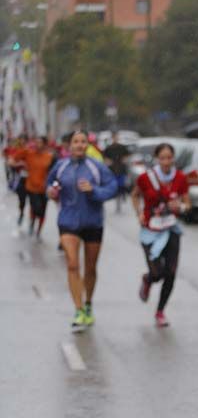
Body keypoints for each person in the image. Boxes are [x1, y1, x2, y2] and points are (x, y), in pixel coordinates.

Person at [46, 130, 118, 332]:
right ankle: (78, 310)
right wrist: (51, 192)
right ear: (69, 145)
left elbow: (112, 187)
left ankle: (88, 305)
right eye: (75, 142)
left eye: (82, 142)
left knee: (90, 268)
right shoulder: (61, 166)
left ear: (87, 145)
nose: (79, 145)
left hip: (93, 222)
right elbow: (50, 184)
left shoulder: (96, 167)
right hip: (68, 221)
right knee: (72, 264)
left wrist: (94, 191)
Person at [131, 143, 191, 327]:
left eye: (169, 157)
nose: (166, 161)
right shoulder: (146, 178)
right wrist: (139, 213)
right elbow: (135, 195)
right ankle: (148, 279)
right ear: (157, 159)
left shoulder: (180, 178)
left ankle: (160, 311)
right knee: (157, 272)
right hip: (150, 229)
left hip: (171, 228)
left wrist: (180, 207)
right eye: (163, 158)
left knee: (171, 273)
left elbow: (187, 203)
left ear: (173, 158)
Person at [14, 135, 55, 239]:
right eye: (36, 142)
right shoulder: (29, 153)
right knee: (35, 207)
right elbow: (15, 157)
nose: (38, 144)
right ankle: (32, 222)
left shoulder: (49, 157)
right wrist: (24, 147)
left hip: (44, 188)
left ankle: (38, 231)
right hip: (31, 187)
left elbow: (54, 173)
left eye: (40, 142)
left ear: (45, 145)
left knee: (42, 211)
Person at [103, 132, 131, 214]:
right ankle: (115, 197)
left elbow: (127, 155)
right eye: (114, 137)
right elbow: (105, 157)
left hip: (121, 169)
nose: (115, 139)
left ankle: (123, 195)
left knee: (122, 184)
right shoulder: (109, 148)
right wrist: (108, 161)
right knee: (114, 185)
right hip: (112, 170)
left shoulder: (122, 147)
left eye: (116, 137)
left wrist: (124, 159)